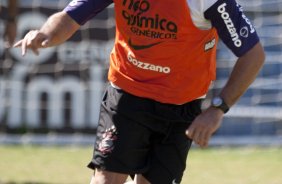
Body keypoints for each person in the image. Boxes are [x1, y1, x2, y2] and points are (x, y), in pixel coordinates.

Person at [14, 0, 265, 183]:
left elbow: (253, 55)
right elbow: (71, 15)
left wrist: (218, 109)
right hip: (127, 94)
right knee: (105, 180)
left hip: (181, 105)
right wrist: (44, 33)